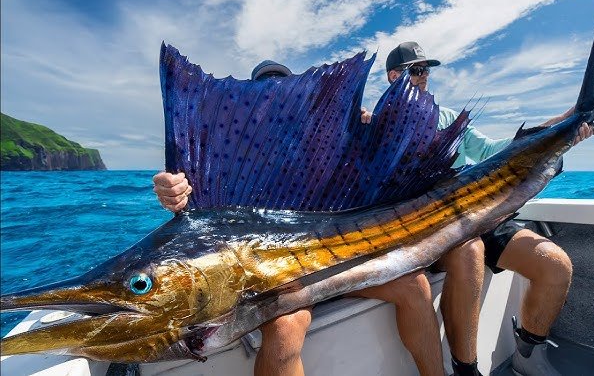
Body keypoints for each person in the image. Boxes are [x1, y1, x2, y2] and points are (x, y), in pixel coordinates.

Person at [153, 60, 445, 376]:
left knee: (415, 287)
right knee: (284, 331)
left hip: (340, 263)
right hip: (280, 280)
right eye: (266, 93)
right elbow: (198, 216)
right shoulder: (234, 155)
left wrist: (368, 132)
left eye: (285, 91)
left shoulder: (325, 142)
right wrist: (174, 193)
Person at [364, 42, 593, 376]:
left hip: (480, 212)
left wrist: (566, 125)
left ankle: (528, 356)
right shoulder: (375, 126)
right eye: (415, 71)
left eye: (426, 70)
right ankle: (466, 368)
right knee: (469, 251)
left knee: (555, 266)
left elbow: (494, 150)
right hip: (429, 228)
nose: (423, 77)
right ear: (393, 76)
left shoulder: (445, 118)